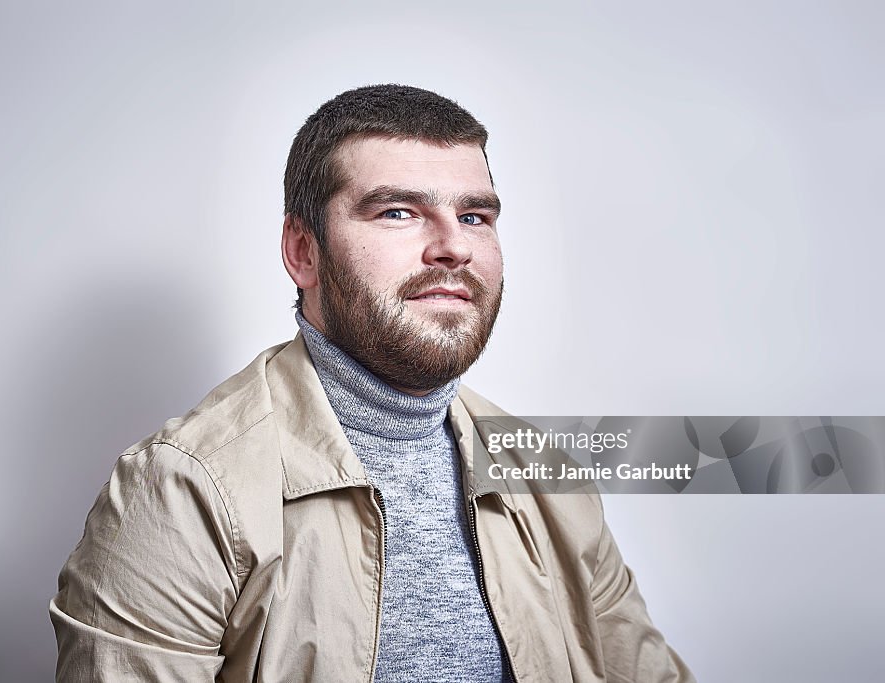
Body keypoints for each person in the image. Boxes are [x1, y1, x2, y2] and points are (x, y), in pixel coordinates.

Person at [49, 84, 695, 682]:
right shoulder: (182, 490)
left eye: (475, 217)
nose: (453, 247)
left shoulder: (548, 475)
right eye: (397, 212)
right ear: (304, 252)